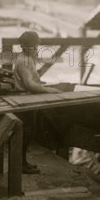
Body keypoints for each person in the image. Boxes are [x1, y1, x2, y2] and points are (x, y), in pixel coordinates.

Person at [13, 31, 61, 174]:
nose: (36, 49)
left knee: (29, 132)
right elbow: (29, 84)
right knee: (26, 133)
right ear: (24, 46)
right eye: (33, 47)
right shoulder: (24, 61)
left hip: (29, 98)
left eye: (36, 46)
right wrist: (48, 90)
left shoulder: (27, 58)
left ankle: (23, 162)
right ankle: (20, 164)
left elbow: (32, 80)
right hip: (25, 99)